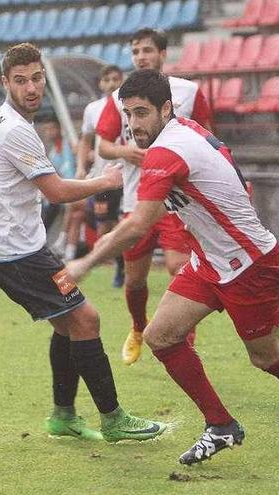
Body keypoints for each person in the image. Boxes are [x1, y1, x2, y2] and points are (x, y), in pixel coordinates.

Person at [69, 69, 279, 465]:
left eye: (142, 112)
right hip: (211, 263)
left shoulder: (168, 151)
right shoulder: (184, 131)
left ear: (166, 108)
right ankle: (220, 425)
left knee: (265, 357)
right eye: (128, 114)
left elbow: (138, 224)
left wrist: (85, 261)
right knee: (161, 336)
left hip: (250, 267)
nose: (133, 124)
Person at [0, 43, 165, 443]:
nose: (31, 88)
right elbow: (55, 192)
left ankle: (63, 415)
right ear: (6, 82)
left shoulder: (9, 120)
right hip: (13, 251)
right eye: (20, 81)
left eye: (36, 78)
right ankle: (113, 419)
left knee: (69, 322)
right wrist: (107, 182)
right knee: (86, 319)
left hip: (10, 246)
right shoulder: (17, 130)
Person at [95, 28, 212, 365]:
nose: (141, 57)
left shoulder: (189, 92)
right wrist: (126, 152)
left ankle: (183, 338)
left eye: (147, 50)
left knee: (179, 266)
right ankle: (136, 327)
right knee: (134, 281)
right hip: (136, 200)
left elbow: (206, 136)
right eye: (135, 52)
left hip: (177, 202)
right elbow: (102, 145)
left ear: (163, 54)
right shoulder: (121, 97)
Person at [77, 64, 125, 286]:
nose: (111, 84)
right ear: (100, 83)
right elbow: (85, 140)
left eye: (116, 79)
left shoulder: (128, 106)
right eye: (107, 80)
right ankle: (119, 263)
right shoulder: (92, 109)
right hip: (102, 175)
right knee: (105, 225)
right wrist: (81, 167)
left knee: (117, 224)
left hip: (126, 174)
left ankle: (120, 268)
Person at [38, 115, 82, 260]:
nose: (49, 132)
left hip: (79, 187)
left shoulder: (68, 145)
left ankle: (60, 240)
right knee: (48, 202)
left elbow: (68, 174)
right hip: (68, 189)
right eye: (46, 130)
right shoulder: (53, 152)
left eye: (51, 128)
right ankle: (44, 242)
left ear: (59, 129)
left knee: (66, 202)